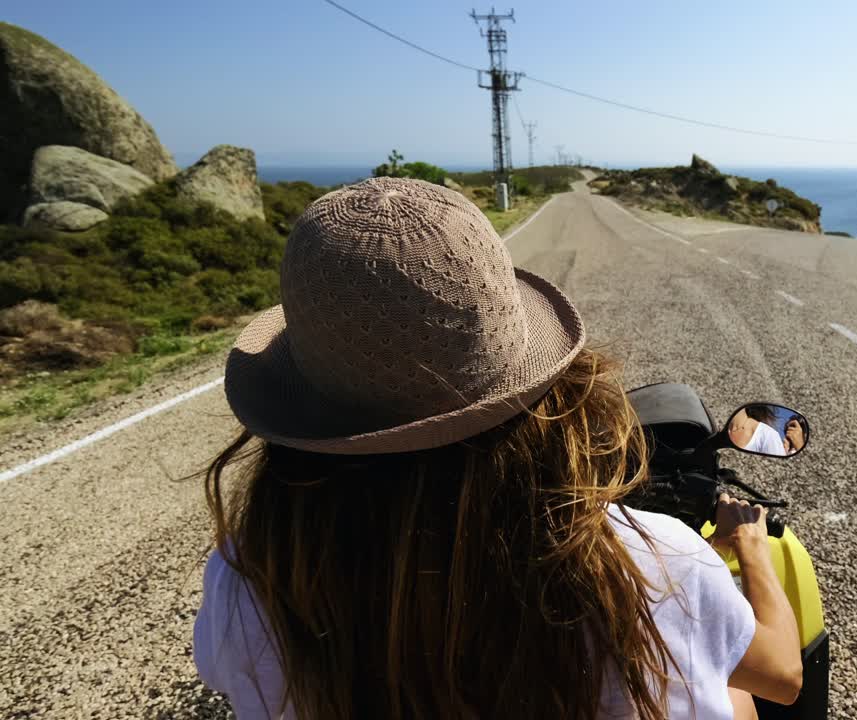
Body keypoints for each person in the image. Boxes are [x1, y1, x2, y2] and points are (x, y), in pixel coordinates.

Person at [193, 177, 802, 720]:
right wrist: (748, 546)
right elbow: (784, 676)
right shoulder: (653, 566)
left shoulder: (247, 578)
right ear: (545, 387)